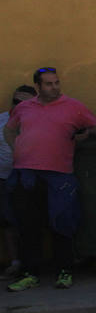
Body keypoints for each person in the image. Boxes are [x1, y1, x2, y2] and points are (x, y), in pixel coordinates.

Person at [4, 68, 96, 291]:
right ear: (38, 86)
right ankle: (29, 274)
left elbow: (95, 126)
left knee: (61, 224)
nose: (54, 87)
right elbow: (9, 130)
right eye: (48, 84)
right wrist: (16, 147)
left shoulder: (73, 106)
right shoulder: (24, 108)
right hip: (26, 173)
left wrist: (83, 135)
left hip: (59, 175)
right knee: (28, 226)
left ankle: (64, 272)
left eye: (56, 83)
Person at [1, 85, 37, 277]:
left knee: (31, 222)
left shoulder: (38, 120)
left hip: (31, 176)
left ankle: (31, 264)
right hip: (5, 176)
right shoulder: (2, 121)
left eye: (24, 102)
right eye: (16, 101)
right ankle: (15, 262)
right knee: (8, 222)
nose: (19, 106)